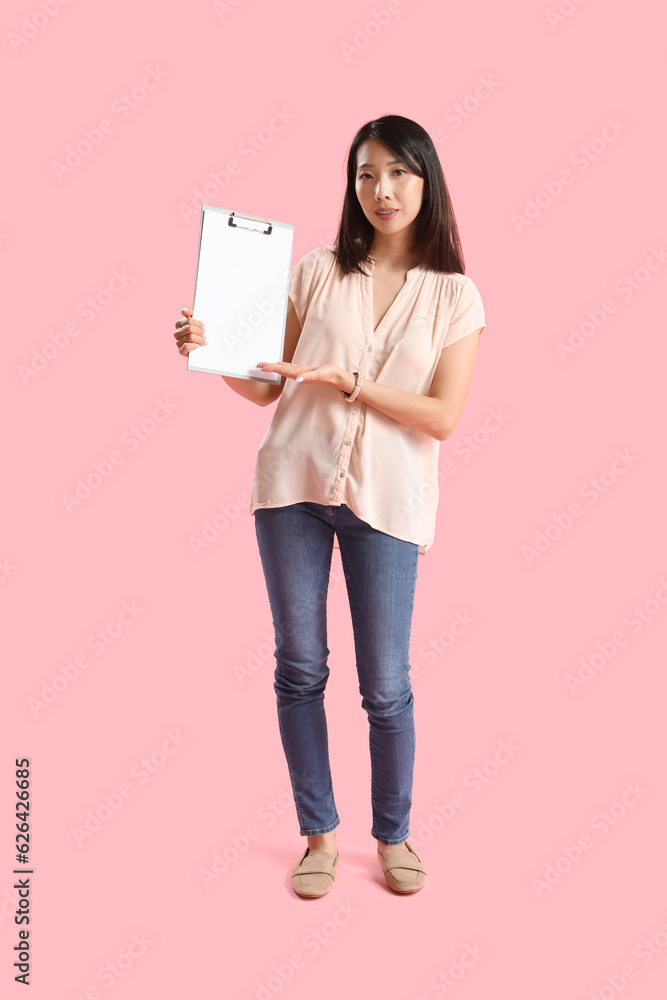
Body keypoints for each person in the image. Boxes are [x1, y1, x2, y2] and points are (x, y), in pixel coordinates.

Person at [173, 115, 487, 898]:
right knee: (300, 668)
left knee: (385, 684)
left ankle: (393, 835)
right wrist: (208, 352)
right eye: (365, 174)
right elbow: (264, 385)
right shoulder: (318, 270)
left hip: (387, 500)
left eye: (399, 173)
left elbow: (441, 415)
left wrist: (349, 382)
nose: (381, 190)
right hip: (293, 491)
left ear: (427, 180)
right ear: (351, 184)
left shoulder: (455, 296)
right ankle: (318, 836)